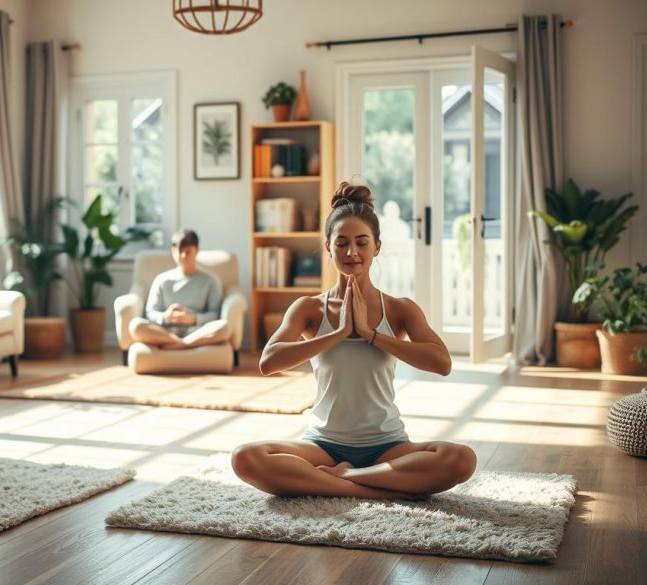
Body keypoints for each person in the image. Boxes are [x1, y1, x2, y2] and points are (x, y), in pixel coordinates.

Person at [231, 182, 477, 500]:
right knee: (245, 457)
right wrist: (338, 333)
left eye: (362, 242)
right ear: (328, 247)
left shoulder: (400, 308)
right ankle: (379, 491)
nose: (352, 253)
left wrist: (371, 335)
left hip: (387, 446)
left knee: (461, 460)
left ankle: (347, 478)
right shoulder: (309, 308)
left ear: (377, 247)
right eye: (342, 243)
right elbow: (268, 362)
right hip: (322, 446)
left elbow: (442, 363)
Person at [128, 229, 232, 350]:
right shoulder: (162, 280)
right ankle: (181, 343)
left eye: (188, 251)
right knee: (135, 326)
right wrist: (166, 317)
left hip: (197, 332)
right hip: (165, 332)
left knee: (225, 327)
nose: (183, 256)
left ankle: (179, 345)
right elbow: (150, 313)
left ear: (197, 251)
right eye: (180, 251)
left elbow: (215, 314)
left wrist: (193, 319)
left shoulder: (210, 280)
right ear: (173, 252)